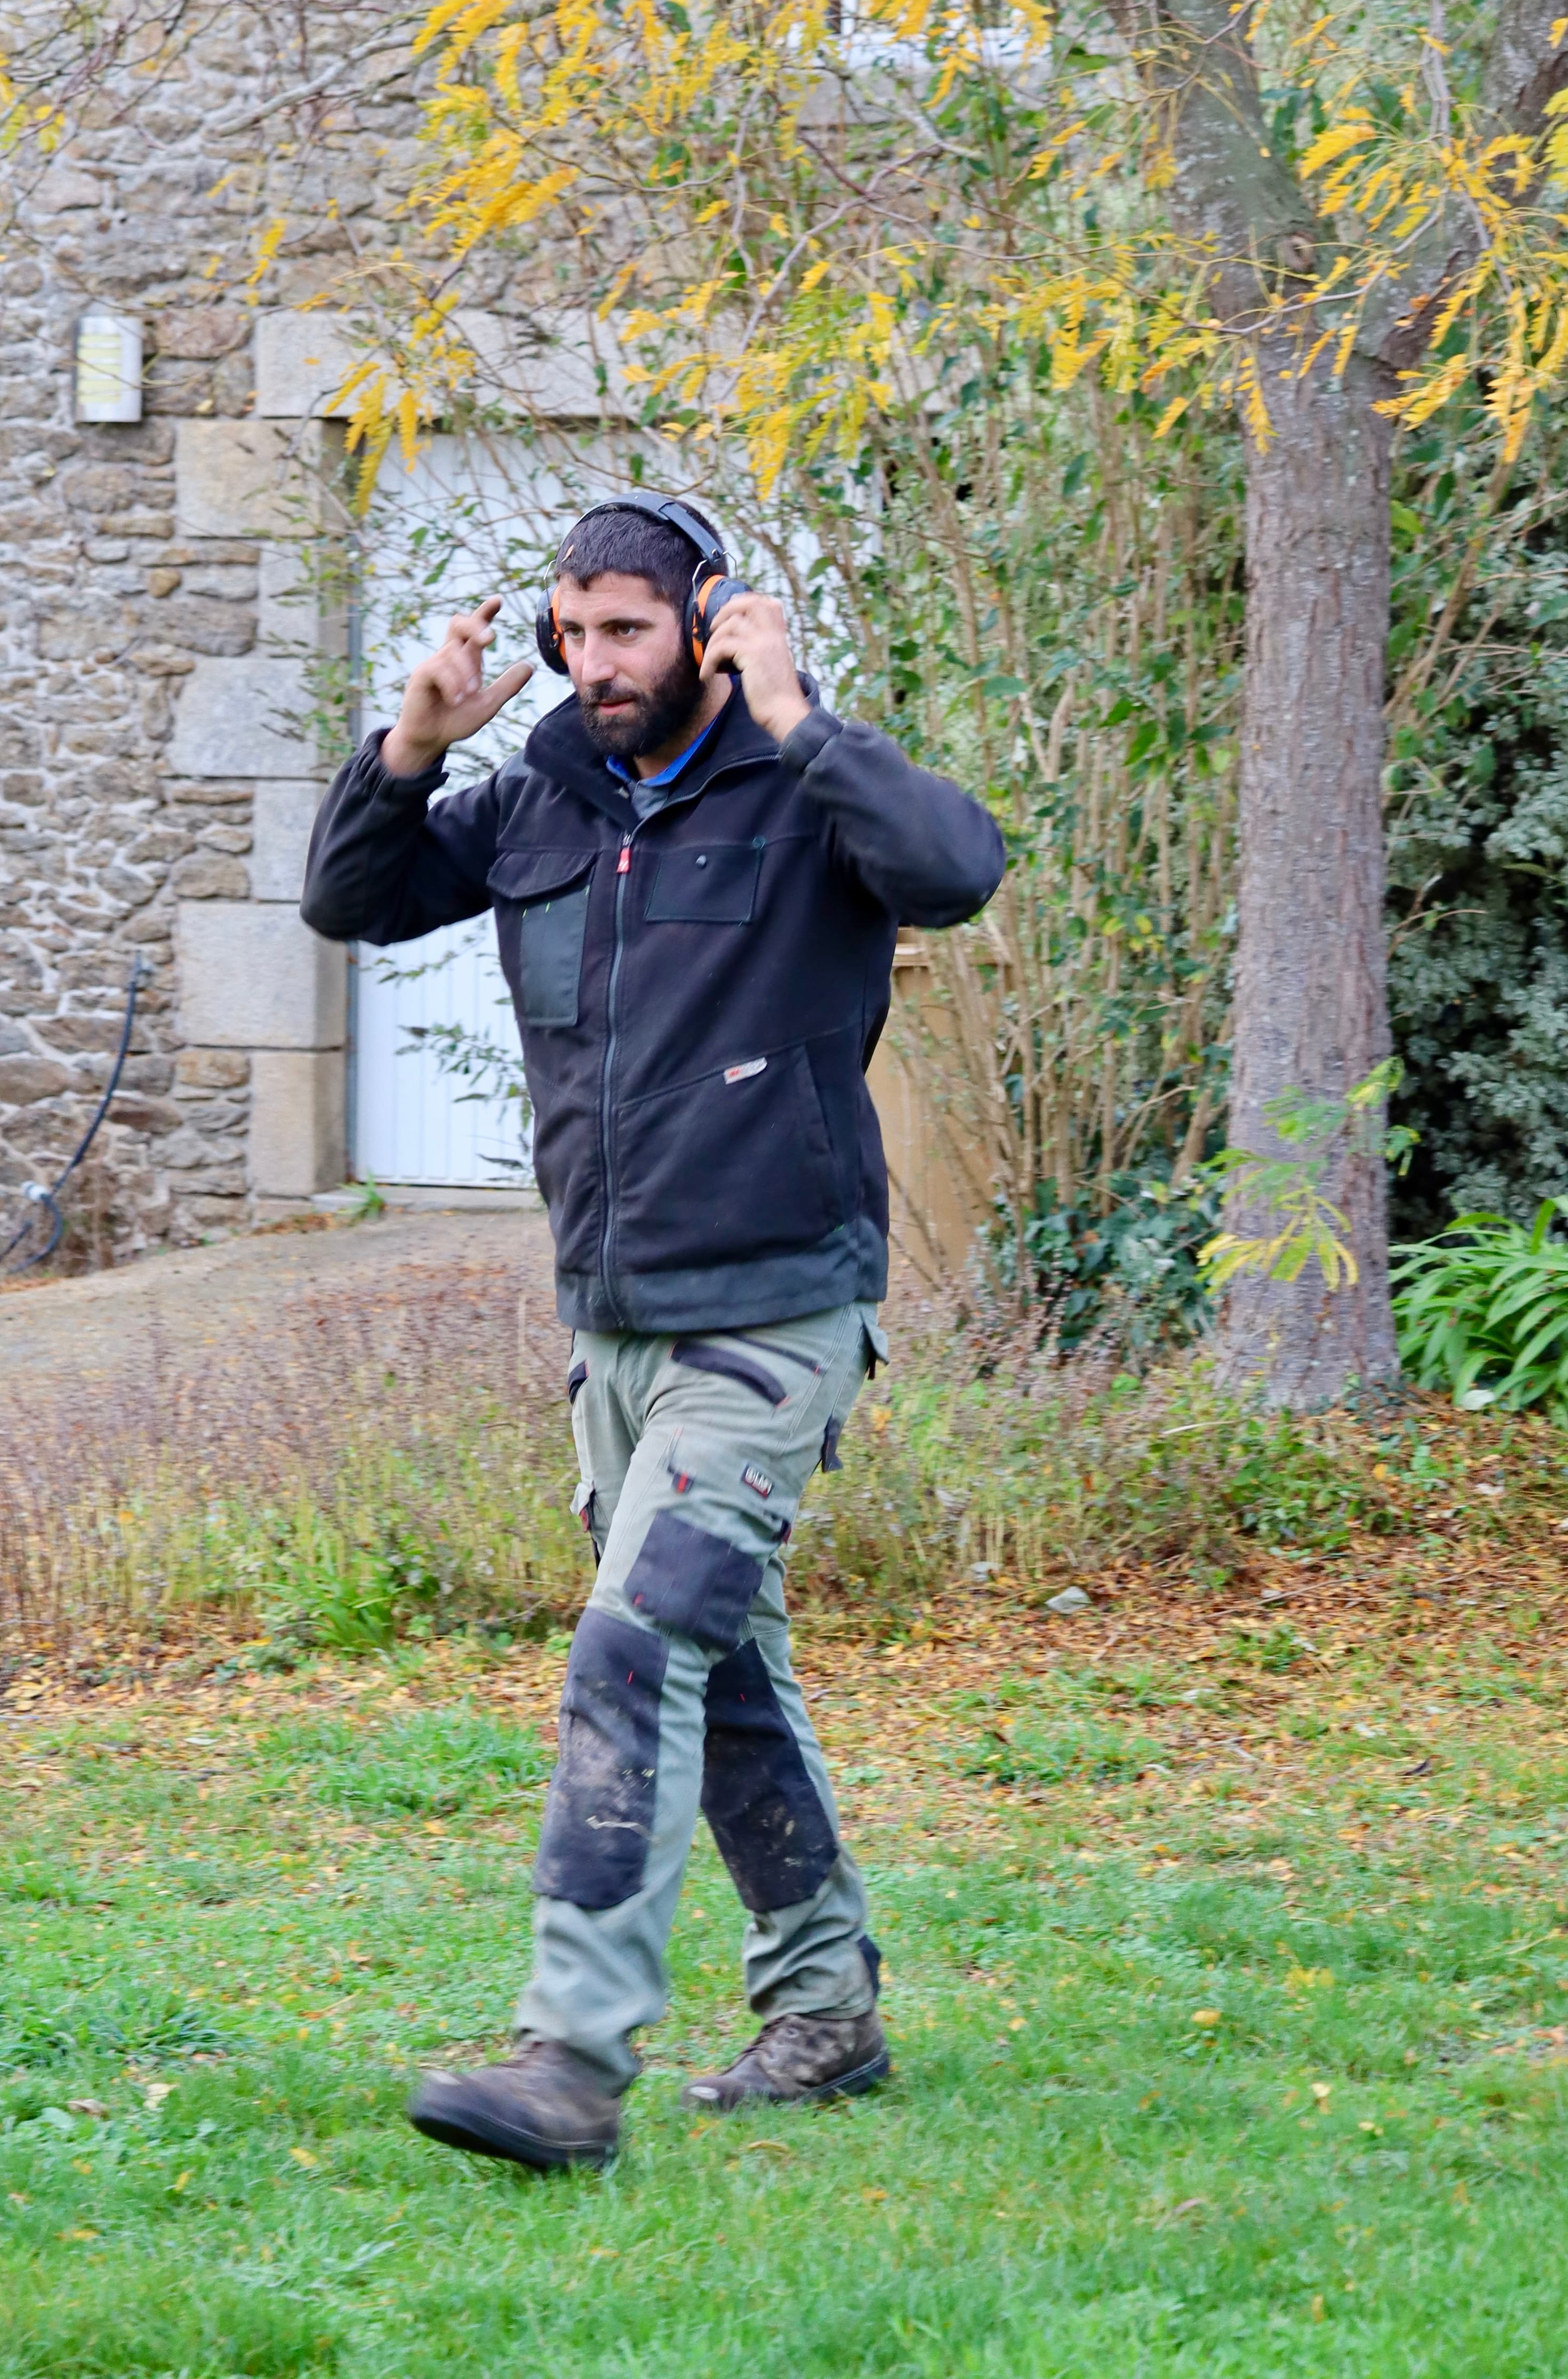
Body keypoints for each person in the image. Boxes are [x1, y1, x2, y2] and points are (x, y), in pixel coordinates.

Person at [301, 493, 1005, 2169]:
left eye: (631, 630)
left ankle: (572, 2058)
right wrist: (410, 745)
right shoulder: (544, 794)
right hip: (613, 1327)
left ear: (706, 623)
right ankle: (827, 2015)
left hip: (774, 1316)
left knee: (632, 1651)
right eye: (576, 632)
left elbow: (954, 869)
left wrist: (799, 714)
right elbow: (352, 902)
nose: (598, 663)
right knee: (717, 1661)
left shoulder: (801, 785)